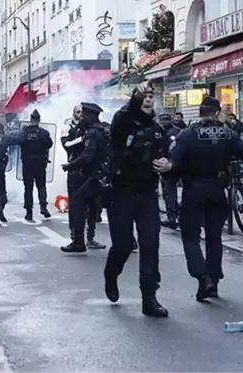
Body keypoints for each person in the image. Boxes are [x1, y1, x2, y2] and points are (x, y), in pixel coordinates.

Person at [154, 96, 243, 301]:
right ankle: (214, 280)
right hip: (218, 191)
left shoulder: (187, 134)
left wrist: (170, 170)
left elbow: (173, 162)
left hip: (194, 191)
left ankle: (203, 278)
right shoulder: (228, 133)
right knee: (214, 238)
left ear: (200, 112)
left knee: (191, 237)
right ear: (217, 112)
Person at [103, 81, 171, 318]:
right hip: (120, 193)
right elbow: (122, 122)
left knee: (150, 246)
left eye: (152, 96)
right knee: (122, 246)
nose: (148, 100)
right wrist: (136, 96)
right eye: (144, 96)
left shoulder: (157, 129)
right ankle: (111, 275)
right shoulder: (123, 122)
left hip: (147, 195)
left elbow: (168, 156)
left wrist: (168, 165)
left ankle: (149, 298)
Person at [60, 102, 108, 253]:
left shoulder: (93, 132)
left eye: (84, 113)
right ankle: (78, 239)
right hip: (93, 174)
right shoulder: (72, 128)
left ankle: (80, 241)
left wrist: (69, 166)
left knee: (79, 205)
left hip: (91, 174)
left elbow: (87, 157)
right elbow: (67, 145)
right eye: (79, 113)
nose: (82, 116)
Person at [20, 109, 53, 220]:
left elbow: (19, 141)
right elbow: (49, 144)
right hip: (39, 163)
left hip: (27, 163)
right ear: (39, 120)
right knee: (41, 186)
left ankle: (29, 212)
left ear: (31, 120)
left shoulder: (24, 131)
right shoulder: (44, 132)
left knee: (28, 188)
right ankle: (43, 207)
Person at [157, 113, 181, 229]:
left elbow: (164, 150)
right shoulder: (179, 131)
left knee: (169, 192)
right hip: (182, 164)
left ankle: (172, 217)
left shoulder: (164, 133)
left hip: (169, 166)